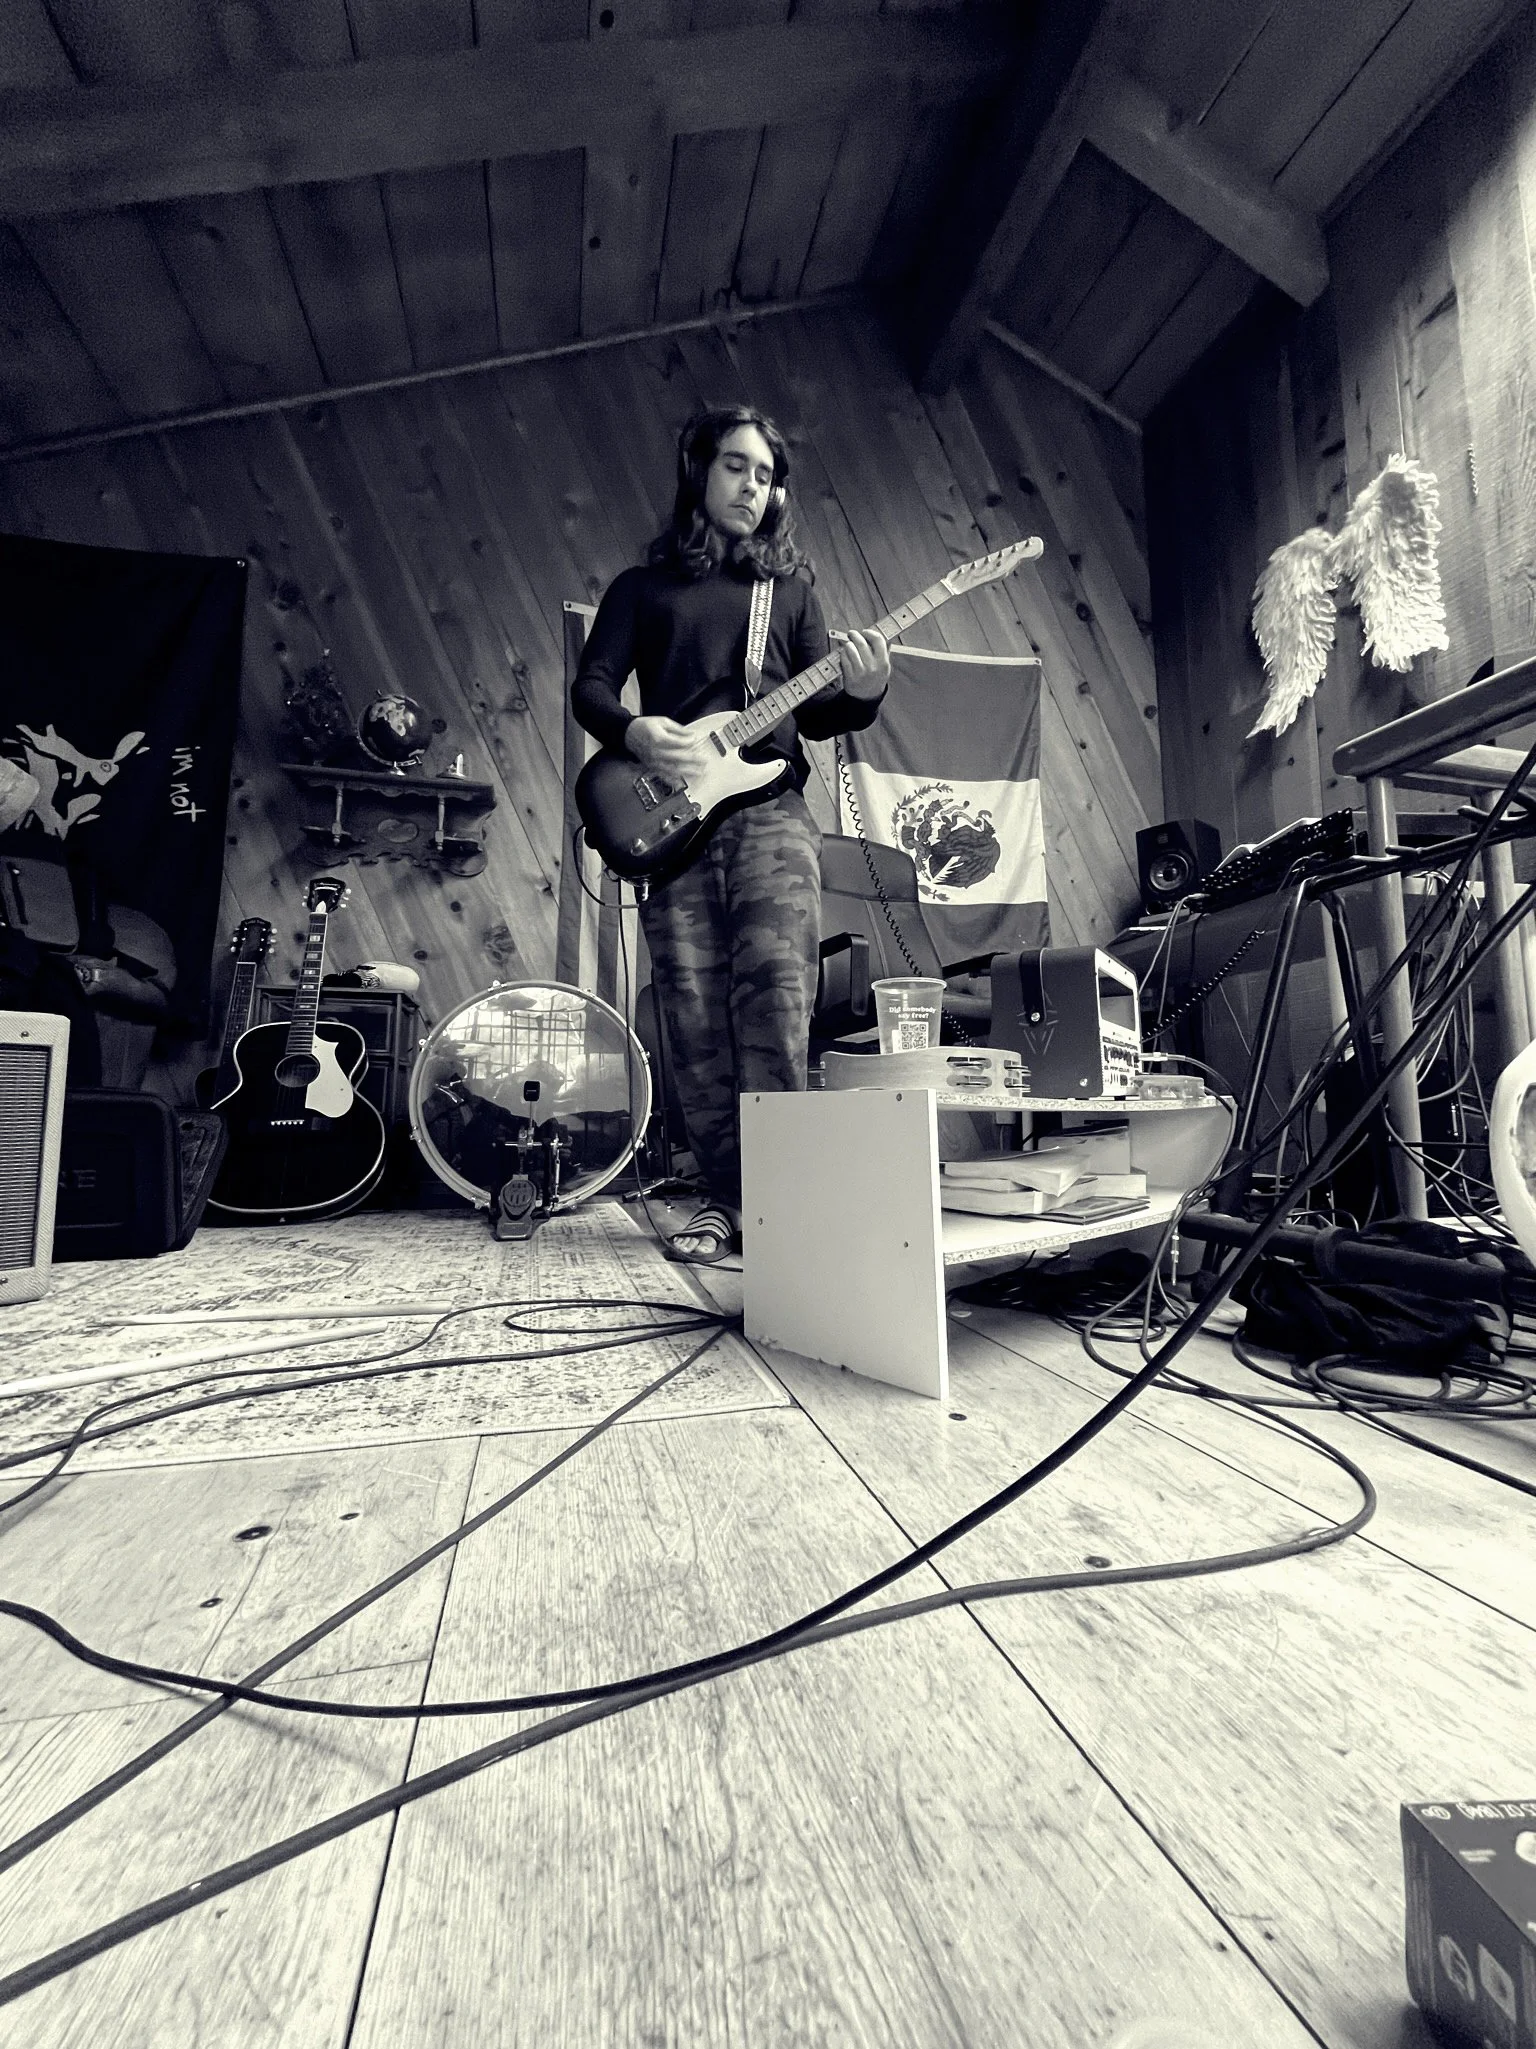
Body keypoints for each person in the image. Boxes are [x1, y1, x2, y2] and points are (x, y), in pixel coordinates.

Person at [571, 404, 890, 1262]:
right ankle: (724, 1198)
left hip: (771, 820)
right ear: (699, 472)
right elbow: (593, 687)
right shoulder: (642, 589)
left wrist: (866, 686)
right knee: (692, 1019)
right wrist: (637, 732)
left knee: (776, 1003)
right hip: (673, 827)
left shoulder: (789, 593)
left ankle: (783, 1204)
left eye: (767, 474)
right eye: (737, 467)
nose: (754, 486)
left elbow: (822, 715)